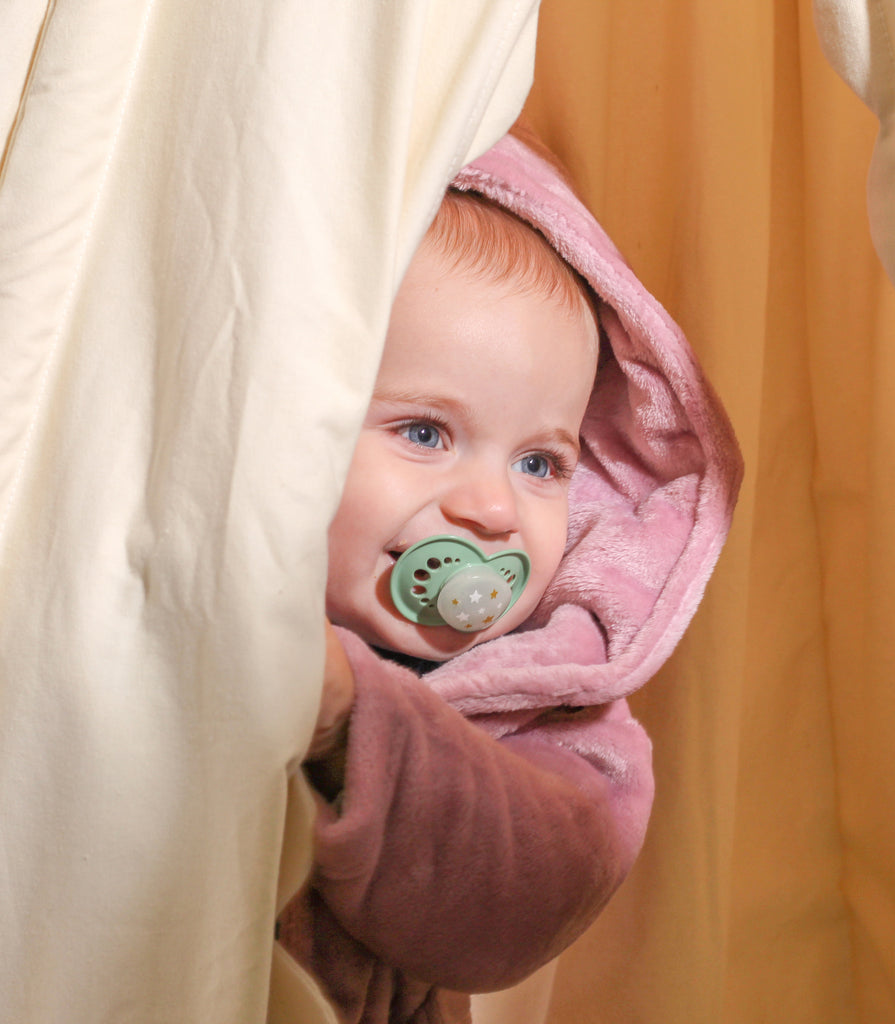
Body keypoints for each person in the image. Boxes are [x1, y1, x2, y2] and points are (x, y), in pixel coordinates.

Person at [276, 127, 742, 1023]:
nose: (494, 511)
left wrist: (353, 720)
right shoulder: (174, 586)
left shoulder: (559, 710)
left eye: (540, 463)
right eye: (425, 433)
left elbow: (519, 903)